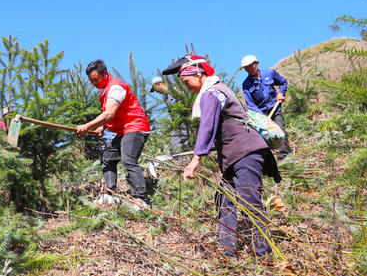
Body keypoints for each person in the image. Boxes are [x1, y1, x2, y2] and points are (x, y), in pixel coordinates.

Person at [163, 55, 280, 258]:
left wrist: (196, 159)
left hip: (245, 153)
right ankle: (227, 251)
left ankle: (265, 255)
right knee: (223, 198)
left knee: (250, 202)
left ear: (199, 74)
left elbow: (207, 127)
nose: (188, 87)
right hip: (235, 157)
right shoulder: (219, 90)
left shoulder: (212, 93)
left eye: (187, 81)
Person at [76, 59, 151, 209]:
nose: (94, 83)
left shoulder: (115, 87)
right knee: (108, 158)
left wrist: (87, 126)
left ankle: (142, 200)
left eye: (96, 79)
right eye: (91, 81)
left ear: (105, 74)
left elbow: (109, 113)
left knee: (128, 160)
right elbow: (109, 113)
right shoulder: (106, 90)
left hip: (135, 128)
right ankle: (111, 193)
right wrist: (101, 127)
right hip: (124, 131)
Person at [241, 55, 292, 159]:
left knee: (280, 130)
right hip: (262, 115)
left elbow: (283, 82)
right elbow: (250, 104)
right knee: (263, 138)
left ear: (257, 63)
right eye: (246, 68)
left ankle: (285, 156)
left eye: (251, 66)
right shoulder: (246, 84)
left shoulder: (270, 73)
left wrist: (281, 93)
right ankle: (267, 160)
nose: (249, 70)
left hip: (275, 108)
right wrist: (262, 118)